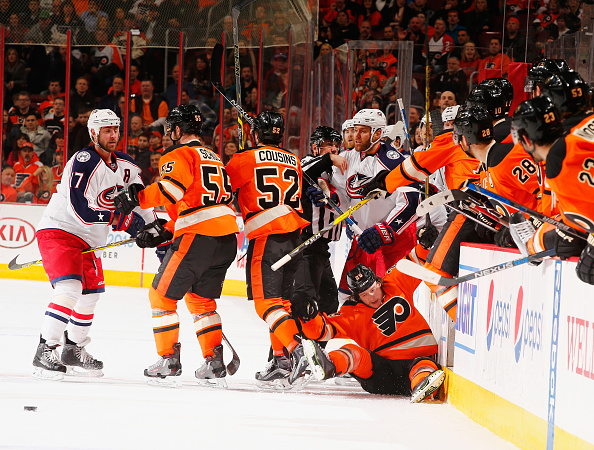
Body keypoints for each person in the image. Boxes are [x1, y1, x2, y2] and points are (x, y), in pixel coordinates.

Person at [114, 104, 239, 387]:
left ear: (179, 129)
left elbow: (171, 190)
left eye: (171, 127)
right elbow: (196, 202)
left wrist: (137, 199)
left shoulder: (179, 153)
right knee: (200, 301)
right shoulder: (214, 157)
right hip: (226, 237)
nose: (168, 131)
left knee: (160, 297)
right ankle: (214, 362)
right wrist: (165, 229)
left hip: (199, 236)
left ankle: (169, 359)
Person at [32, 109, 155, 380]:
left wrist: (153, 227)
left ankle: (72, 349)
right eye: (107, 130)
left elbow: (142, 199)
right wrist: (126, 222)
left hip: (89, 239)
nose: (113, 135)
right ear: (93, 133)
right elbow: (81, 211)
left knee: (91, 295)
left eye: (115, 129)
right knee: (69, 288)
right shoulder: (83, 161)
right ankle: (46, 348)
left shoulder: (127, 165)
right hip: (61, 230)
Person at [225, 111, 310, 389]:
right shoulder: (294, 159)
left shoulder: (244, 158)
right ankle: (280, 360)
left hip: (268, 236)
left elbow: (225, 192)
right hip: (295, 236)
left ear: (255, 134)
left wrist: (237, 159)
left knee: (266, 303)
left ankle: (298, 354)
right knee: (282, 302)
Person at [296, 264, 444, 402]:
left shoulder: (396, 282)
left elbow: (417, 259)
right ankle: (329, 365)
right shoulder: (352, 313)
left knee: (423, 365)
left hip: (415, 363)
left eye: (372, 290)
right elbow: (320, 331)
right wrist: (307, 317)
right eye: (364, 295)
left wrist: (424, 241)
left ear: (378, 282)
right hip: (382, 375)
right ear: (357, 296)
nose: (371, 298)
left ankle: (422, 386)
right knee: (354, 352)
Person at [317, 109, 420, 302]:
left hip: (393, 242)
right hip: (363, 240)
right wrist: (327, 195)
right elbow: (345, 198)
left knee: (388, 299)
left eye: (362, 131)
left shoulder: (394, 161)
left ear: (378, 134)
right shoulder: (348, 158)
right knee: (348, 296)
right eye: (355, 130)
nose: (355, 136)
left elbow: (411, 202)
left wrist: (385, 230)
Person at [291, 126, 348, 327]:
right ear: (315, 147)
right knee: (304, 301)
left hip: (321, 247)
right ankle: (287, 353)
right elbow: (300, 172)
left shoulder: (338, 172)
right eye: (327, 145)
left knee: (329, 302)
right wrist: (329, 158)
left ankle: (315, 349)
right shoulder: (308, 163)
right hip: (305, 243)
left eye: (335, 145)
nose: (333, 149)